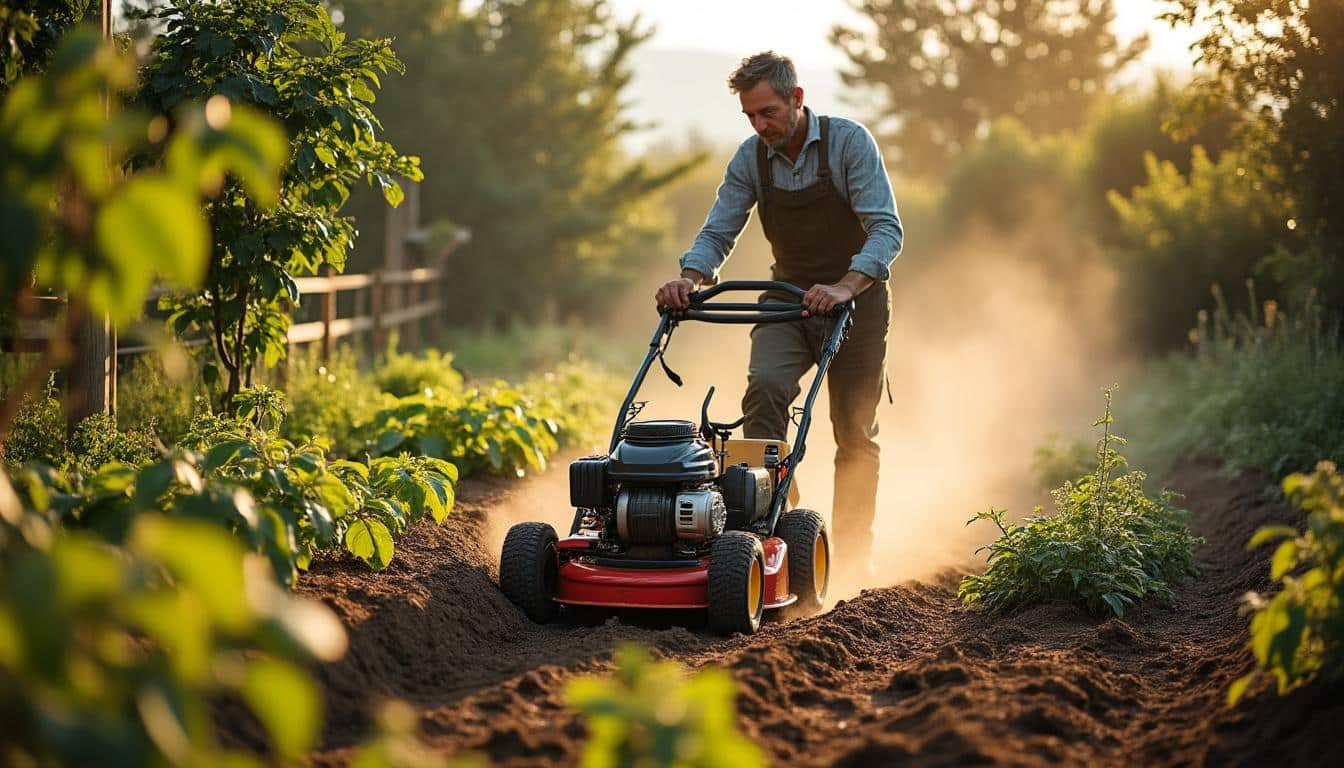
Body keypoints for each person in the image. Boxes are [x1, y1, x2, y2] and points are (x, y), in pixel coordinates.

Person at [655, 51, 903, 583]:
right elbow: (720, 228)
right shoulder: (751, 158)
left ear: (797, 98)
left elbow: (886, 230)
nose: (760, 125)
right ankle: (780, 539)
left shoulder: (848, 144)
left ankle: (853, 558)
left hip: (856, 303)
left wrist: (844, 286)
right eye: (750, 115)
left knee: (853, 432)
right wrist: (689, 278)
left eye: (768, 112)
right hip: (788, 298)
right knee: (764, 392)